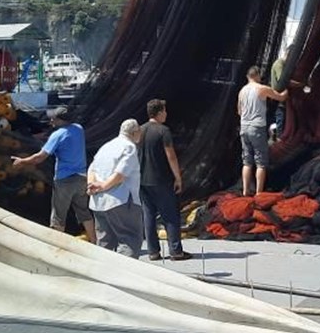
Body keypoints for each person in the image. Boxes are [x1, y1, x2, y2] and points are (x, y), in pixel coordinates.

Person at [11, 106, 96, 244]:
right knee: (83, 211)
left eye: (53, 118)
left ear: (61, 120)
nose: (50, 120)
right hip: (81, 178)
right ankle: (94, 241)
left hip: (64, 180)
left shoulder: (58, 135)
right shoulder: (78, 129)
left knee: (58, 216)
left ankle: (57, 246)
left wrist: (22, 161)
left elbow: (40, 157)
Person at [138, 99, 192, 261]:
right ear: (159, 112)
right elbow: (171, 156)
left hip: (143, 179)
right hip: (161, 179)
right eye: (164, 111)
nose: (166, 114)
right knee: (170, 215)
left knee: (148, 215)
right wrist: (178, 177)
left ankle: (153, 251)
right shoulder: (163, 131)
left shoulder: (139, 130)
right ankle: (175, 251)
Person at [87, 119, 144, 258]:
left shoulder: (106, 146)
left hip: (98, 202)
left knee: (104, 242)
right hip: (121, 200)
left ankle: (102, 275)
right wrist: (104, 186)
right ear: (135, 132)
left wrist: (92, 185)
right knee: (129, 239)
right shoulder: (129, 147)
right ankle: (124, 276)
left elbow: (91, 168)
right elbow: (121, 174)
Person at [237, 66, 288, 196]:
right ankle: (259, 193)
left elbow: (239, 111)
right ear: (257, 76)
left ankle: (245, 191)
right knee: (261, 162)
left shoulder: (242, 91)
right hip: (257, 127)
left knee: (247, 161)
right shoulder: (262, 89)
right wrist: (288, 87)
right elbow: (281, 97)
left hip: (244, 127)